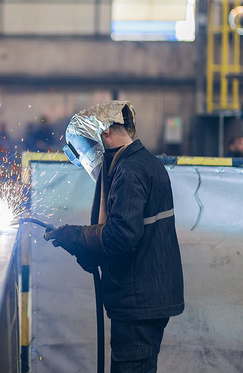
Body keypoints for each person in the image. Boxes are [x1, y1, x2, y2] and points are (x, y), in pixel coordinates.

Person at [44, 100, 184, 372]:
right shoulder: (144, 162)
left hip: (138, 302)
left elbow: (120, 237)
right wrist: (87, 250)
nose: (88, 157)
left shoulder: (129, 171)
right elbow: (127, 233)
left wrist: (74, 237)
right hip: (142, 298)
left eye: (86, 146)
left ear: (105, 132)